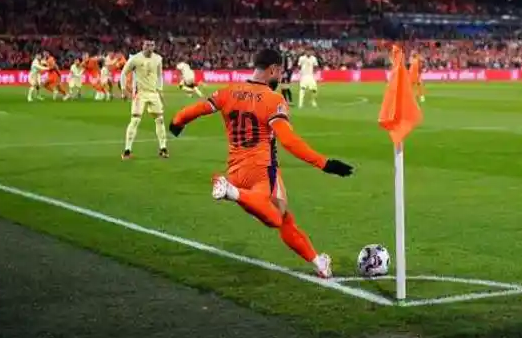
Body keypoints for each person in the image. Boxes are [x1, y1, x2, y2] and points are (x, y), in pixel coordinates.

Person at [168, 48, 353, 279]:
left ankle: (318, 263)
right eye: (280, 73)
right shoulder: (273, 99)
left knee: (284, 217)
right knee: (276, 217)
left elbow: (198, 109)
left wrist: (177, 122)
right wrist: (325, 163)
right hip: (261, 171)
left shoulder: (229, 91)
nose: (281, 78)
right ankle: (231, 191)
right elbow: (288, 140)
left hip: (235, 169)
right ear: (273, 69)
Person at [121, 40, 168, 159]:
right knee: (135, 120)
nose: (149, 47)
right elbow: (123, 73)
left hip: (153, 93)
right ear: (142, 46)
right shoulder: (135, 59)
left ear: (154, 46)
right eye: (147, 45)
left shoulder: (158, 59)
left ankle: (163, 148)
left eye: (152, 45)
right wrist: (123, 89)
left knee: (160, 120)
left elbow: (159, 75)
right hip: (140, 94)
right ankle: (127, 150)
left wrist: (160, 89)